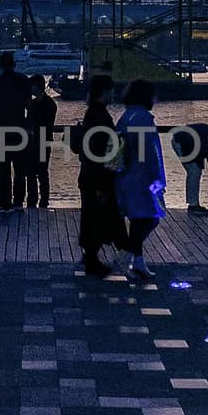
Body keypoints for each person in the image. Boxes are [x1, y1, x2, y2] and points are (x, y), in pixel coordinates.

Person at [115, 79, 167, 280]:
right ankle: (126, 254)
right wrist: (157, 180)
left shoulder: (126, 116)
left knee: (138, 219)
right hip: (141, 178)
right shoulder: (143, 118)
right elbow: (148, 153)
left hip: (125, 175)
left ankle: (138, 260)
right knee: (151, 218)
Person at [74, 74, 124, 276]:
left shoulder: (92, 114)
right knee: (97, 216)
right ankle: (94, 259)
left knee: (92, 216)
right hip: (98, 176)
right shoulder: (100, 116)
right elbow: (103, 148)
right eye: (111, 90)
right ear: (104, 92)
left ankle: (90, 255)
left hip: (89, 174)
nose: (113, 93)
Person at [0, 50, 33, 210]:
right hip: (19, 130)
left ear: (0, 65)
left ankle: (4, 202)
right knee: (20, 170)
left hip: (1, 130)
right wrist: (28, 125)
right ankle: (18, 201)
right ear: (14, 64)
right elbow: (29, 106)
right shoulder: (23, 80)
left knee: (3, 169)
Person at [170, 122, 208, 213]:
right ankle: (193, 205)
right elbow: (205, 153)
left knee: (195, 171)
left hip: (182, 140)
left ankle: (193, 204)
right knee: (194, 171)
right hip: (183, 142)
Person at [26, 75, 57, 208]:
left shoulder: (40, 104)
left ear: (37, 86)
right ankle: (36, 199)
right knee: (35, 172)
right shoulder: (49, 103)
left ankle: (42, 199)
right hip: (38, 141)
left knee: (40, 172)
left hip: (40, 142)